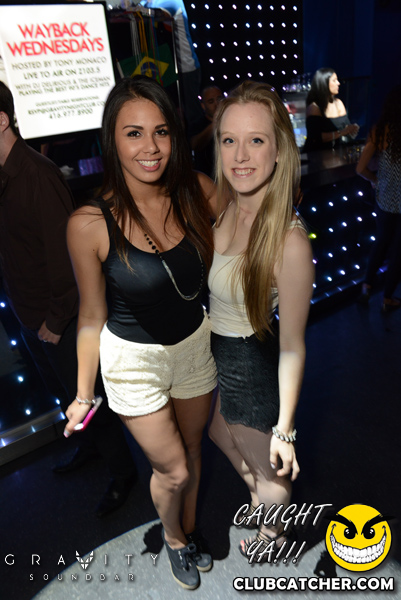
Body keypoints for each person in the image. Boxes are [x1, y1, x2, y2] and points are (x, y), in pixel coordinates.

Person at [63, 76, 217, 591]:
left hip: (195, 346)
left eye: (161, 131)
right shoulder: (89, 222)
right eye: (134, 133)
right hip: (133, 362)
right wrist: (83, 393)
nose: (150, 147)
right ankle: (173, 538)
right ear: (112, 139)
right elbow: (91, 315)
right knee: (173, 469)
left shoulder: (197, 191)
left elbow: (249, 228)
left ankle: (188, 531)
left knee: (193, 451)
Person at [0, 81, 137, 518]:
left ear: (1, 121)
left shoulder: (37, 175)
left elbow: (69, 261)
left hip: (56, 317)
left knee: (88, 396)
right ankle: (91, 448)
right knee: (65, 395)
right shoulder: (5, 175)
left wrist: (55, 320)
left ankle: (123, 473)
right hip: (29, 314)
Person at [208, 80, 315, 561]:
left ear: (279, 149)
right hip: (217, 357)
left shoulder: (289, 241)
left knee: (272, 479)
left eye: (256, 140)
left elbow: (293, 345)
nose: (240, 156)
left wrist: (285, 429)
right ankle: (257, 499)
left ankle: (273, 537)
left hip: (250, 369)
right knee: (219, 434)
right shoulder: (227, 205)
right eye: (229, 140)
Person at [356, 85, 401, 312]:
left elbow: (360, 168)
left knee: (380, 242)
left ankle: (366, 287)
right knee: (398, 253)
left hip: (384, 198)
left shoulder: (379, 131)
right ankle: (387, 299)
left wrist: (375, 179)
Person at [141, 0, 204, 126]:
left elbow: (157, 14)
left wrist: (138, 8)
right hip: (169, 67)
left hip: (186, 66)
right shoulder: (150, 2)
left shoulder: (171, 1)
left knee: (192, 114)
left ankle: (199, 137)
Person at [303, 67, 359, 152]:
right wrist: (341, 132)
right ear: (324, 83)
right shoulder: (314, 107)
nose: (338, 83)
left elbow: (346, 128)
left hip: (335, 152)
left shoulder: (339, 103)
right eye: (334, 80)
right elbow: (315, 137)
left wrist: (352, 129)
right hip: (317, 154)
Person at [189, 85, 223, 178]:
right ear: (203, 106)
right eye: (211, 101)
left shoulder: (232, 120)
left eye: (219, 99)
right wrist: (215, 124)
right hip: (208, 176)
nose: (217, 104)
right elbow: (194, 145)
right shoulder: (197, 124)